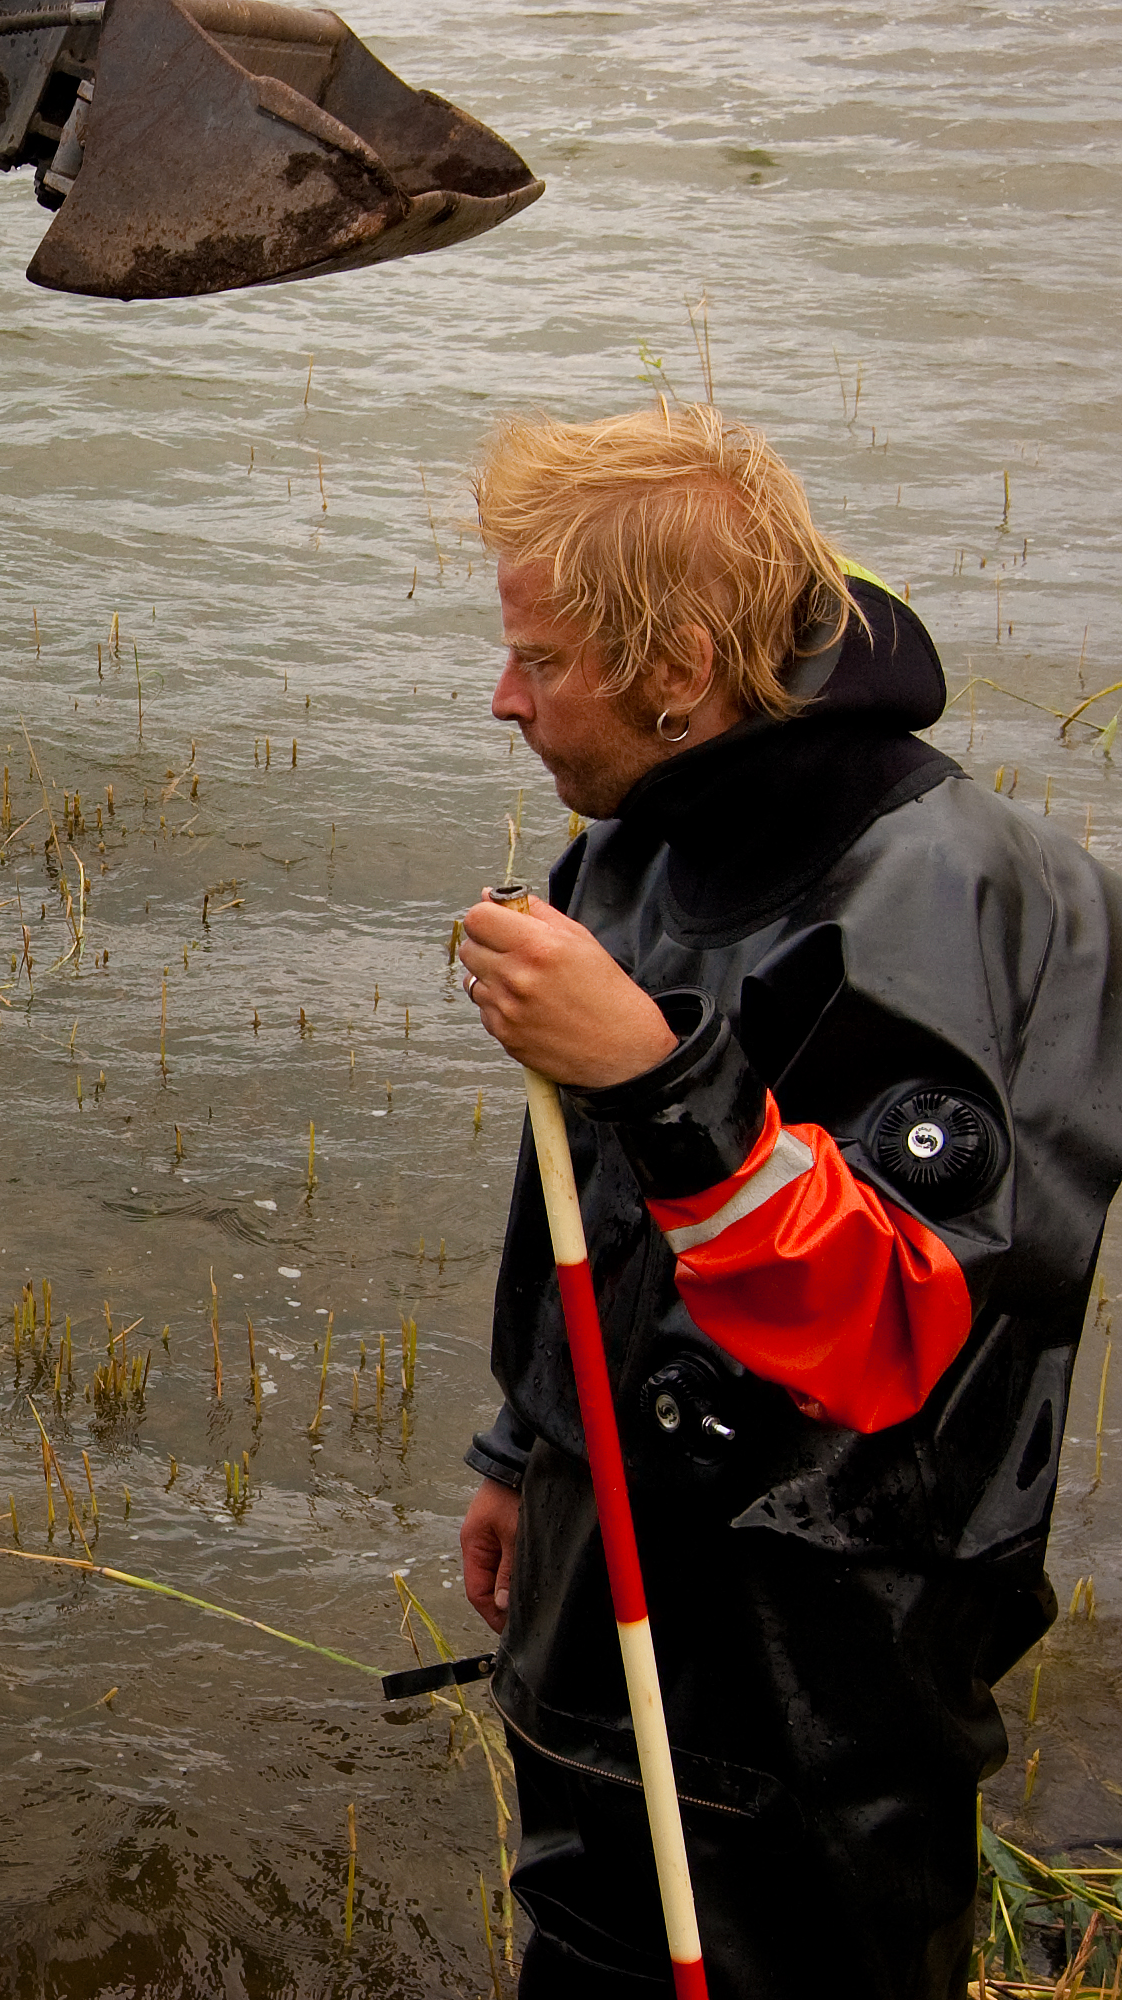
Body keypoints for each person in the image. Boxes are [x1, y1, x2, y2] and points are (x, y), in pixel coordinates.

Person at [450, 407, 1122, 1997]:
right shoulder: (635, 849)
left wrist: (658, 1080)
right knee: (589, 1945)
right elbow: (581, 1207)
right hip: (606, 1557)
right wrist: (523, 1449)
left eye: (543, 661)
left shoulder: (951, 892)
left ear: (680, 664)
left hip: (818, 1654)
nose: (504, 698)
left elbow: (900, 1326)